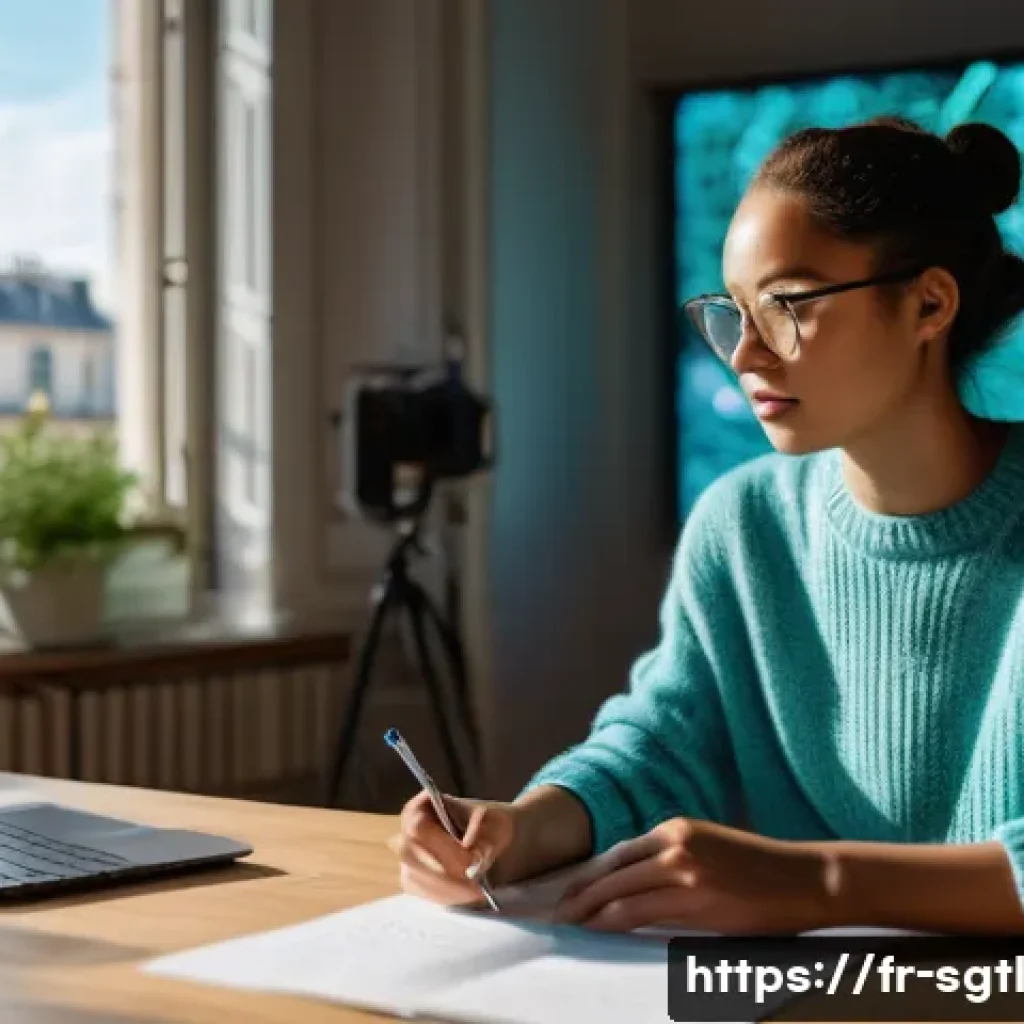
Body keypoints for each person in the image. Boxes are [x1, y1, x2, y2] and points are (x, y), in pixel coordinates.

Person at [388, 116, 1024, 935]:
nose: (745, 354)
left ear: (930, 302)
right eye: (733, 313)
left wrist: (817, 882)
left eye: (789, 306)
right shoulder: (743, 522)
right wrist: (519, 828)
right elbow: (661, 745)